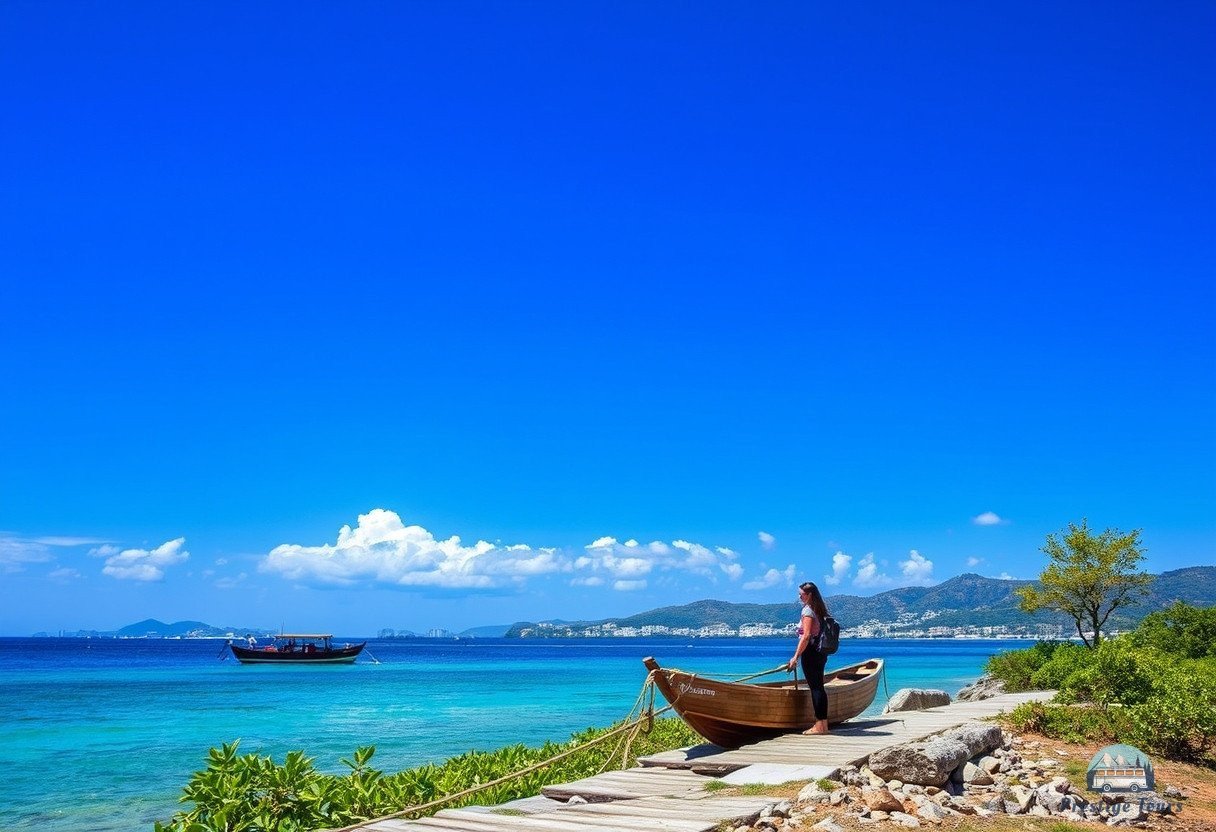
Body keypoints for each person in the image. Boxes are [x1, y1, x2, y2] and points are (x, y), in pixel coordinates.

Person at [786, 580, 830, 734]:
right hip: (820, 652)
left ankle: (819, 726)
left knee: (816, 688)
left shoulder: (808, 611)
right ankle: (823, 725)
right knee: (819, 687)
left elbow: (806, 636)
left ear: (809, 595)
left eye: (801, 595)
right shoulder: (819, 609)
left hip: (811, 653)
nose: (800, 598)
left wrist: (795, 657)